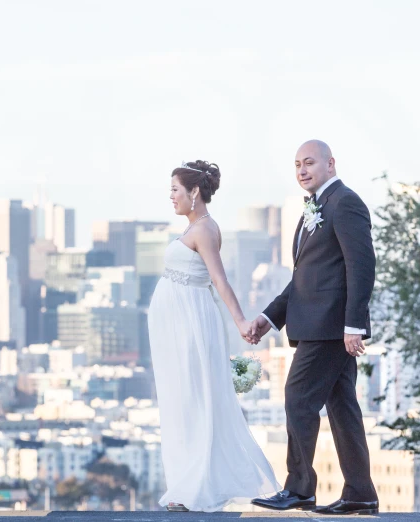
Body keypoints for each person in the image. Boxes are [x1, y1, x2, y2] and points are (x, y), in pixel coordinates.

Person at [249, 140, 379, 515]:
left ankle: (300, 488)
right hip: (320, 325)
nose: (302, 170)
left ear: (331, 164)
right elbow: (304, 278)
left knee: (298, 397)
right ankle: (360, 494)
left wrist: (354, 324)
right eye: (297, 165)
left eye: (309, 163)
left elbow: (361, 266)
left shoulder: (345, 202)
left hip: (332, 328)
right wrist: (270, 317)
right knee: (342, 408)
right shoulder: (317, 208)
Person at [148, 160, 280, 512]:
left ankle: (192, 488)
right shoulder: (196, 227)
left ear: (194, 192)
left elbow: (219, 280)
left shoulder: (204, 230)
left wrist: (240, 322)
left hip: (190, 326)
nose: (171, 197)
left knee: (193, 401)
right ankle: (185, 484)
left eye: (175, 190)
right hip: (177, 325)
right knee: (181, 401)